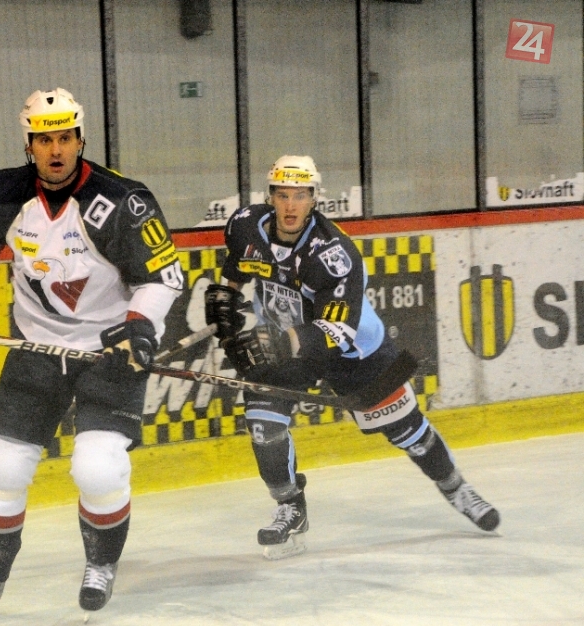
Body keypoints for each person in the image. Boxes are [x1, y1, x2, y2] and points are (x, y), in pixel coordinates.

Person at [0, 88, 184, 626]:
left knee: (97, 468)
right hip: (35, 348)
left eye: (65, 137)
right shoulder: (2, 192)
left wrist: (139, 328)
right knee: (2, 466)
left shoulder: (123, 200)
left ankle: (101, 565)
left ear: (80, 139)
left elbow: (162, 277)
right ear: (29, 144)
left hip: (108, 351)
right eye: (44, 140)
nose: (56, 149)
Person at [205, 155, 500, 559]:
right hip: (284, 342)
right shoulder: (245, 224)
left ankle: (456, 488)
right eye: (283, 195)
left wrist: (278, 342)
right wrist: (225, 298)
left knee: (408, 431)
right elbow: (239, 266)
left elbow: (337, 330)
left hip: (353, 351)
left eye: (300, 196)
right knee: (264, 428)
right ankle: (291, 507)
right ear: (270, 196)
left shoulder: (334, 254)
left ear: (315, 199)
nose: (291, 205)